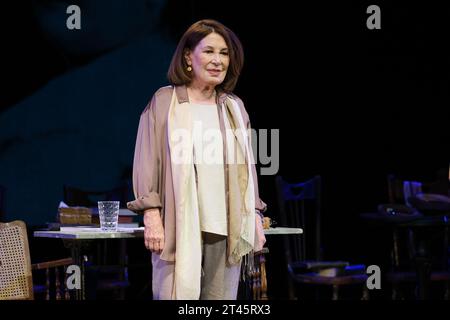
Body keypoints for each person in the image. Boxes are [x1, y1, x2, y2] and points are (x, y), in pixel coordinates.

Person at [127, 19, 267, 300]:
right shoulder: (165, 101)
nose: (218, 60)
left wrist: (254, 215)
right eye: (209, 51)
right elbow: (146, 160)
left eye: (224, 53)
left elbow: (247, 169)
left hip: (226, 227)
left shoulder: (234, 107)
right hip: (178, 226)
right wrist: (151, 213)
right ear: (189, 56)